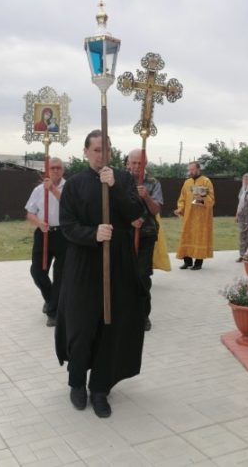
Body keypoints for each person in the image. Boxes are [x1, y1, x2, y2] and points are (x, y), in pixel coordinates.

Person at [55, 130, 146, 418]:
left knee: (110, 327)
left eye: (106, 149)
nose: (101, 155)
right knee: (81, 326)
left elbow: (136, 213)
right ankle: (77, 382)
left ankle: (99, 388)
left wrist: (115, 187)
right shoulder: (74, 185)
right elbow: (67, 225)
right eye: (96, 150)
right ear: (85, 152)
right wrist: (93, 234)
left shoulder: (124, 179)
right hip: (83, 264)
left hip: (116, 263)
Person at [24, 157, 67, 326]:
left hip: (63, 235)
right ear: (47, 170)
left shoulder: (69, 187)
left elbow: (70, 206)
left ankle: (53, 312)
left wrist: (53, 190)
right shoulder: (38, 190)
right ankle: (51, 300)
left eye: (58, 168)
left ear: (63, 170)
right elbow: (30, 213)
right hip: (43, 233)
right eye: (52, 167)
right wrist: (39, 223)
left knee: (60, 275)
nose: (55, 170)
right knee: (37, 271)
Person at [127, 149, 163, 332]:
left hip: (146, 235)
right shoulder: (120, 180)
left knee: (142, 276)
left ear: (145, 164)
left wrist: (146, 196)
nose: (136, 167)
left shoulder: (153, 183)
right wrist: (130, 219)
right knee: (124, 276)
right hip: (125, 235)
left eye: (139, 163)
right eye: (133, 163)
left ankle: (143, 316)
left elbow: (156, 209)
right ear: (128, 163)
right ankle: (125, 314)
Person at [174, 161, 214, 270]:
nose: (190, 172)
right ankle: (187, 262)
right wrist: (180, 208)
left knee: (199, 238)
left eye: (192, 169)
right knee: (187, 237)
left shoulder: (206, 181)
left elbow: (211, 200)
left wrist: (202, 197)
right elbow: (182, 198)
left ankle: (198, 263)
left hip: (201, 217)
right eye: (189, 169)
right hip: (188, 216)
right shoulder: (187, 182)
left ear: (198, 169)